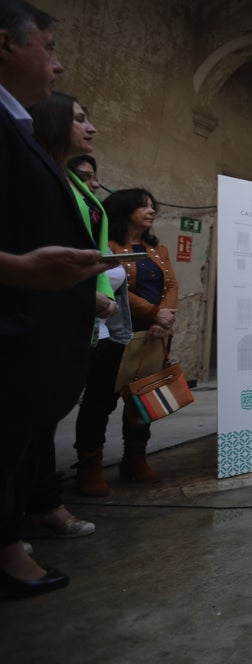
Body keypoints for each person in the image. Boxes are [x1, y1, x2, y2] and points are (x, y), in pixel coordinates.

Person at [0, 0, 104, 597]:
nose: (57, 64)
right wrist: (20, 269)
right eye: (48, 47)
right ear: (6, 44)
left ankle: (19, 528)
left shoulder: (23, 138)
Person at [20, 94, 115, 537]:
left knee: (48, 412)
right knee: (30, 413)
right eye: (80, 119)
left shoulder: (77, 183)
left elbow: (89, 248)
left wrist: (98, 292)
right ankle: (35, 506)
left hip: (76, 310)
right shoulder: (35, 171)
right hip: (41, 309)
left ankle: (39, 499)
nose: (90, 128)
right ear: (55, 123)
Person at [103, 187, 178, 484]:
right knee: (101, 400)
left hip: (153, 334)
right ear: (124, 211)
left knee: (142, 402)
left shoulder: (157, 251)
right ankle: (90, 466)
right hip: (116, 332)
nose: (151, 211)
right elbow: (115, 289)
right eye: (143, 206)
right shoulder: (107, 246)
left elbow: (171, 285)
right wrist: (152, 312)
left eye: (152, 206)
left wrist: (164, 318)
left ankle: (135, 460)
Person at [70, 155, 134, 497]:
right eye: (85, 178)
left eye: (94, 178)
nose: (94, 185)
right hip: (73, 329)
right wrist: (88, 298)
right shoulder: (73, 226)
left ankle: (91, 465)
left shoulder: (103, 234)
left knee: (100, 402)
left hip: (111, 333)